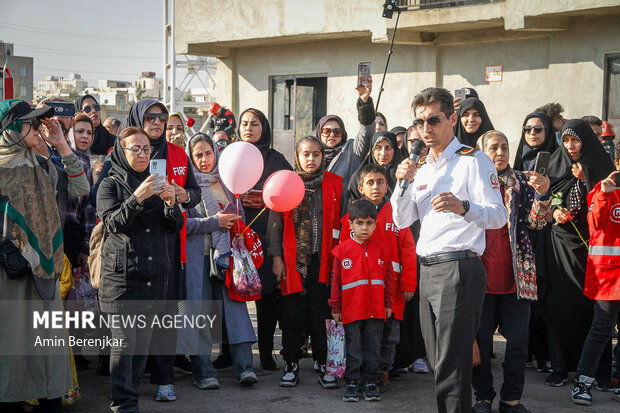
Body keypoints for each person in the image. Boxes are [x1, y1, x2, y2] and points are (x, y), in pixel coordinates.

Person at [391, 87, 507, 413]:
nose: (425, 129)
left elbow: (498, 215)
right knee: (439, 360)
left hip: (459, 267)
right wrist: (401, 183)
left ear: (452, 119)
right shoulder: (420, 167)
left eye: (433, 120)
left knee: (453, 363)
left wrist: (464, 206)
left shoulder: (475, 160)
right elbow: (401, 220)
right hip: (427, 269)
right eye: (419, 122)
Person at [96, 126, 184, 413]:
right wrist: (138, 197)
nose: (143, 154)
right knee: (124, 345)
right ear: (122, 151)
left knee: (141, 346)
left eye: (147, 149)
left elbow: (174, 227)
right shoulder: (110, 183)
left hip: (153, 277)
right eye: (136, 148)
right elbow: (111, 223)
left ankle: (130, 399)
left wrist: (172, 204)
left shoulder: (157, 181)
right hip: (122, 278)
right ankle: (123, 404)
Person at [0, 99, 74, 413]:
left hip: (44, 269)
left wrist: (60, 143)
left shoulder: (40, 163)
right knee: (14, 350)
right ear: (12, 128)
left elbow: (81, 186)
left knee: (48, 348)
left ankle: (51, 401)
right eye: (30, 122)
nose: (37, 127)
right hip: (10, 275)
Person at [472, 130, 552, 413]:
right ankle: (482, 397)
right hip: (479, 279)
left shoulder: (523, 181)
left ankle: (511, 400)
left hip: (517, 279)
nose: (501, 152)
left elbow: (538, 223)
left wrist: (543, 194)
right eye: (493, 147)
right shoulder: (473, 182)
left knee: (518, 345)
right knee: (480, 343)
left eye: (504, 147)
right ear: (481, 151)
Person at [538, 119, 616, 388]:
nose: (570, 146)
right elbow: (540, 204)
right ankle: (560, 367)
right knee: (558, 306)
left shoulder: (601, 168)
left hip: (592, 253)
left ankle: (599, 371)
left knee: (594, 316)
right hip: (559, 248)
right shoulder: (557, 166)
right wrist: (552, 212)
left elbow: (606, 210)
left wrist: (586, 179)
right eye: (565, 140)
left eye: (576, 140)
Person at [180, 133, 259, 388]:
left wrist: (236, 223)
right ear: (191, 158)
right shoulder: (185, 187)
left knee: (236, 311)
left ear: (216, 153)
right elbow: (180, 224)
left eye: (208, 153)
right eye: (198, 155)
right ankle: (203, 372)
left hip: (227, 258)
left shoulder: (227, 181)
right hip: (197, 258)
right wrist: (215, 223)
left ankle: (245, 368)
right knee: (199, 313)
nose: (204, 160)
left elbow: (241, 216)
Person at [267, 135, 342, 388]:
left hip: (324, 261)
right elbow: (275, 225)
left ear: (323, 156)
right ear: (297, 157)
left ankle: (323, 362)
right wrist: (277, 259)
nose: (311, 159)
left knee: (322, 313)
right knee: (292, 313)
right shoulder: (286, 182)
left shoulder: (334, 184)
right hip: (292, 261)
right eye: (306, 154)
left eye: (316, 154)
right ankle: (291, 363)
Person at [340, 164, 417, 392]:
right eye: (371, 183)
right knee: (362, 334)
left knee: (389, 335)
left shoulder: (398, 214)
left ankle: (383, 371)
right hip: (361, 292)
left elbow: (409, 251)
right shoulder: (350, 218)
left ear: (388, 185)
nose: (376, 187)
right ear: (361, 188)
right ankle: (361, 373)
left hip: (392, 291)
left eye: (381, 182)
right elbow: (342, 256)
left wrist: (409, 283)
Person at [237, 108, 292, 370]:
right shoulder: (230, 156)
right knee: (232, 297)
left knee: (268, 298)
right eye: (244, 123)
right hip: (234, 238)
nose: (249, 128)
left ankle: (266, 353)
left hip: (267, 237)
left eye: (255, 124)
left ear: (265, 129)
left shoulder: (276, 160)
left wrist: (266, 200)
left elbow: (289, 193)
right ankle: (229, 353)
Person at [330, 198, 396, 402]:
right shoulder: (341, 251)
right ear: (350, 224)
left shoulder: (383, 250)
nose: (364, 227)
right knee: (354, 349)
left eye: (369, 223)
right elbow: (336, 282)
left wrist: (388, 304)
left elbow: (390, 280)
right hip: (351, 311)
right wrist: (336, 307)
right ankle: (351, 383)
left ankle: (370, 382)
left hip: (376, 311)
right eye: (359, 223)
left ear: (375, 224)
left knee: (373, 349)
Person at [571, 166, 620, 406]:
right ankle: (583, 381)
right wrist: (605, 194)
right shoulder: (602, 189)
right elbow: (595, 223)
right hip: (609, 276)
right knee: (601, 329)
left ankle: (617, 381)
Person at [314, 77, 375, 198]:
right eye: (326, 131)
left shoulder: (352, 150)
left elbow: (366, 132)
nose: (332, 135)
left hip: (345, 211)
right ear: (319, 133)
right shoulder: (312, 153)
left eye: (337, 132)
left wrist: (365, 102)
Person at [346, 131, 403, 206]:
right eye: (378, 148)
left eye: (388, 148)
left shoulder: (403, 173)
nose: (383, 153)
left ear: (395, 150)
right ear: (372, 151)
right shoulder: (359, 176)